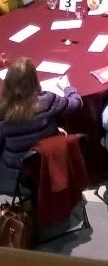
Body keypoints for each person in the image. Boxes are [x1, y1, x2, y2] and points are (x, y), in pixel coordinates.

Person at [0, 57, 81, 190]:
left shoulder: (3, 110)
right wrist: (68, 89)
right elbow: (76, 104)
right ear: (34, 79)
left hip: (18, 169)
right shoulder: (47, 100)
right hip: (48, 160)